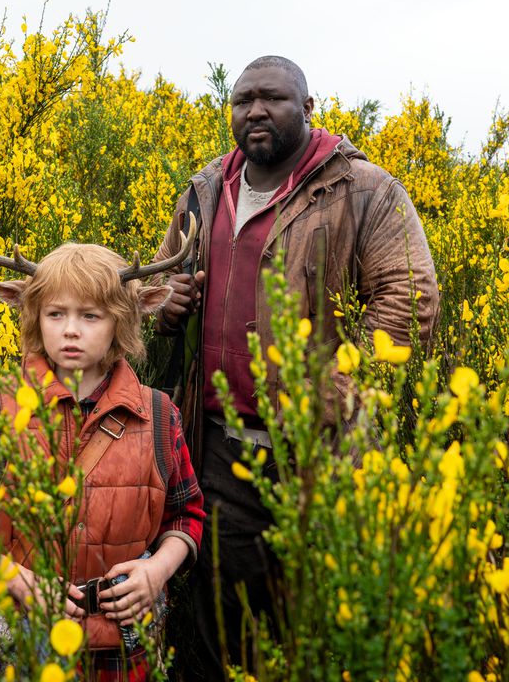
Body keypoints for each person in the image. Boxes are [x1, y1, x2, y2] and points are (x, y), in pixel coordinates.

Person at [153, 56, 440, 677]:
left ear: (309, 108)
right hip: (220, 448)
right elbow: (160, 281)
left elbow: (409, 296)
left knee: (312, 619)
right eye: (243, 100)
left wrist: (334, 388)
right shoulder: (206, 190)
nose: (255, 110)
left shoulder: (363, 188)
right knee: (223, 624)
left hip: (318, 449)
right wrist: (167, 305)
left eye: (273, 98)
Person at [0, 222, 206, 681]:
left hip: (122, 646)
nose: (70, 331)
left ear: (127, 317)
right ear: (29, 313)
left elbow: (186, 517)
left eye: (91, 316)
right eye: (55, 314)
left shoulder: (160, 416)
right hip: (17, 637)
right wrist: (15, 578)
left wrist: (157, 572)